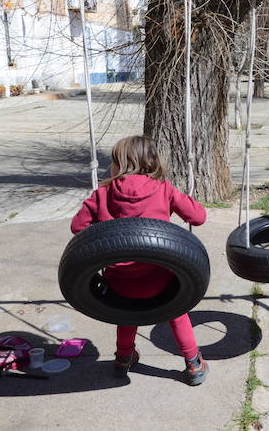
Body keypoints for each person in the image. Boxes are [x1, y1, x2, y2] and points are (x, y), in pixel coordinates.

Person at [70, 135, 209, 384]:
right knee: (178, 312)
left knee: (127, 314)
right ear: (151, 161)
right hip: (161, 280)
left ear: (117, 163)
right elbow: (198, 217)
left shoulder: (102, 193)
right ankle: (193, 364)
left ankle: (123, 359)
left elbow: (77, 227)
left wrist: (104, 233)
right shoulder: (164, 189)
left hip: (119, 284)